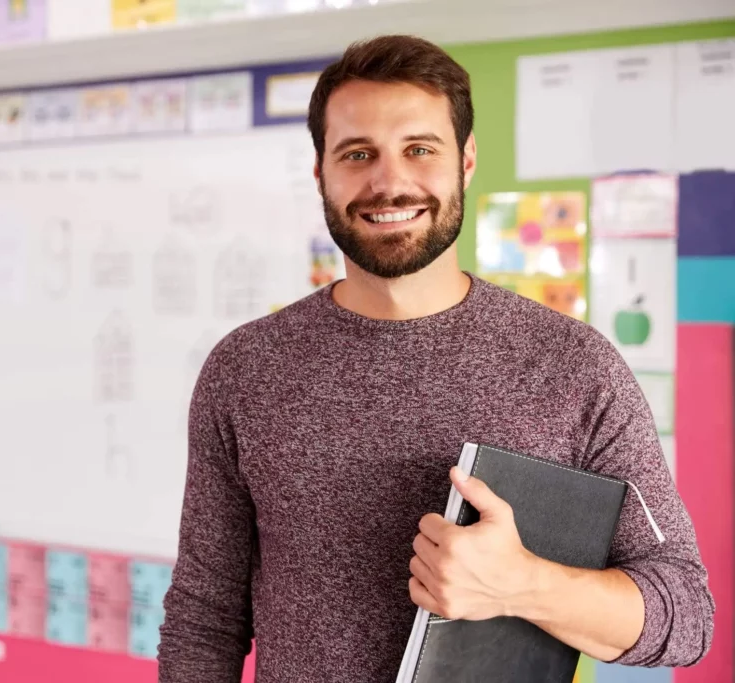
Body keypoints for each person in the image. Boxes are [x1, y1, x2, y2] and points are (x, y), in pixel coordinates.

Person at [157, 34, 714, 682]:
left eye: (419, 149)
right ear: (321, 174)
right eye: (357, 153)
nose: (389, 182)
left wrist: (522, 584)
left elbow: (687, 614)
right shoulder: (245, 372)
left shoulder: (576, 367)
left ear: (466, 161)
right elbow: (204, 619)